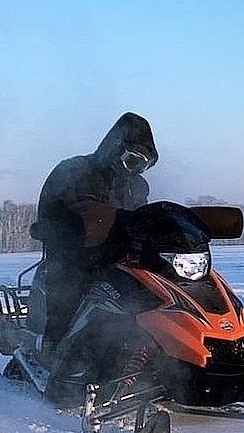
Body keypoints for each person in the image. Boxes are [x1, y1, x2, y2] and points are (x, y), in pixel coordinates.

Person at [32, 112, 158, 355]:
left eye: (143, 164)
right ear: (115, 149)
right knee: (71, 282)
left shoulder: (138, 186)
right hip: (76, 252)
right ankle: (54, 344)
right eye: (132, 159)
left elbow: (141, 217)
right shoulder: (76, 171)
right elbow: (54, 210)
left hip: (121, 254)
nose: (135, 168)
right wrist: (58, 231)